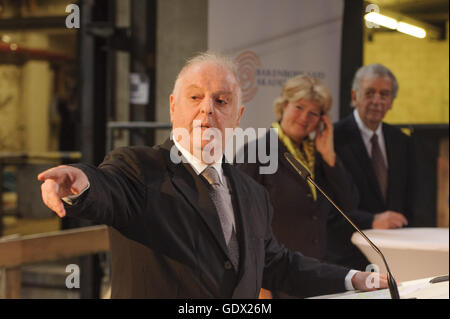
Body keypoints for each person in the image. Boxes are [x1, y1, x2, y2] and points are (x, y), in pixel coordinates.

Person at [38, 52, 388, 298]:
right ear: (174, 105)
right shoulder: (138, 167)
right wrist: (80, 183)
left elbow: (277, 264)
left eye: (221, 101)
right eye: (195, 97)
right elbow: (106, 187)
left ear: (238, 115)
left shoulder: (251, 193)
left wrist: (352, 278)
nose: (207, 108)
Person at [236, 75, 358, 298]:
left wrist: (330, 157)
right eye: (299, 107)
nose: (304, 118)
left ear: (322, 120)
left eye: (313, 113)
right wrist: (259, 283)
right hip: (278, 281)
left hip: (317, 277)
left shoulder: (319, 156)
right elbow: (242, 223)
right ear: (283, 106)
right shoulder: (256, 152)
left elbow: (348, 204)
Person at [329, 63, 413, 271]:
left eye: (384, 94)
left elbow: (409, 200)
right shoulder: (332, 138)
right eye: (370, 93)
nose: (377, 100)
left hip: (395, 256)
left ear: (392, 102)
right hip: (347, 257)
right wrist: (371, 220)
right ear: (354, 95)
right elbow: (328, 207)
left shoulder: (402, 141)